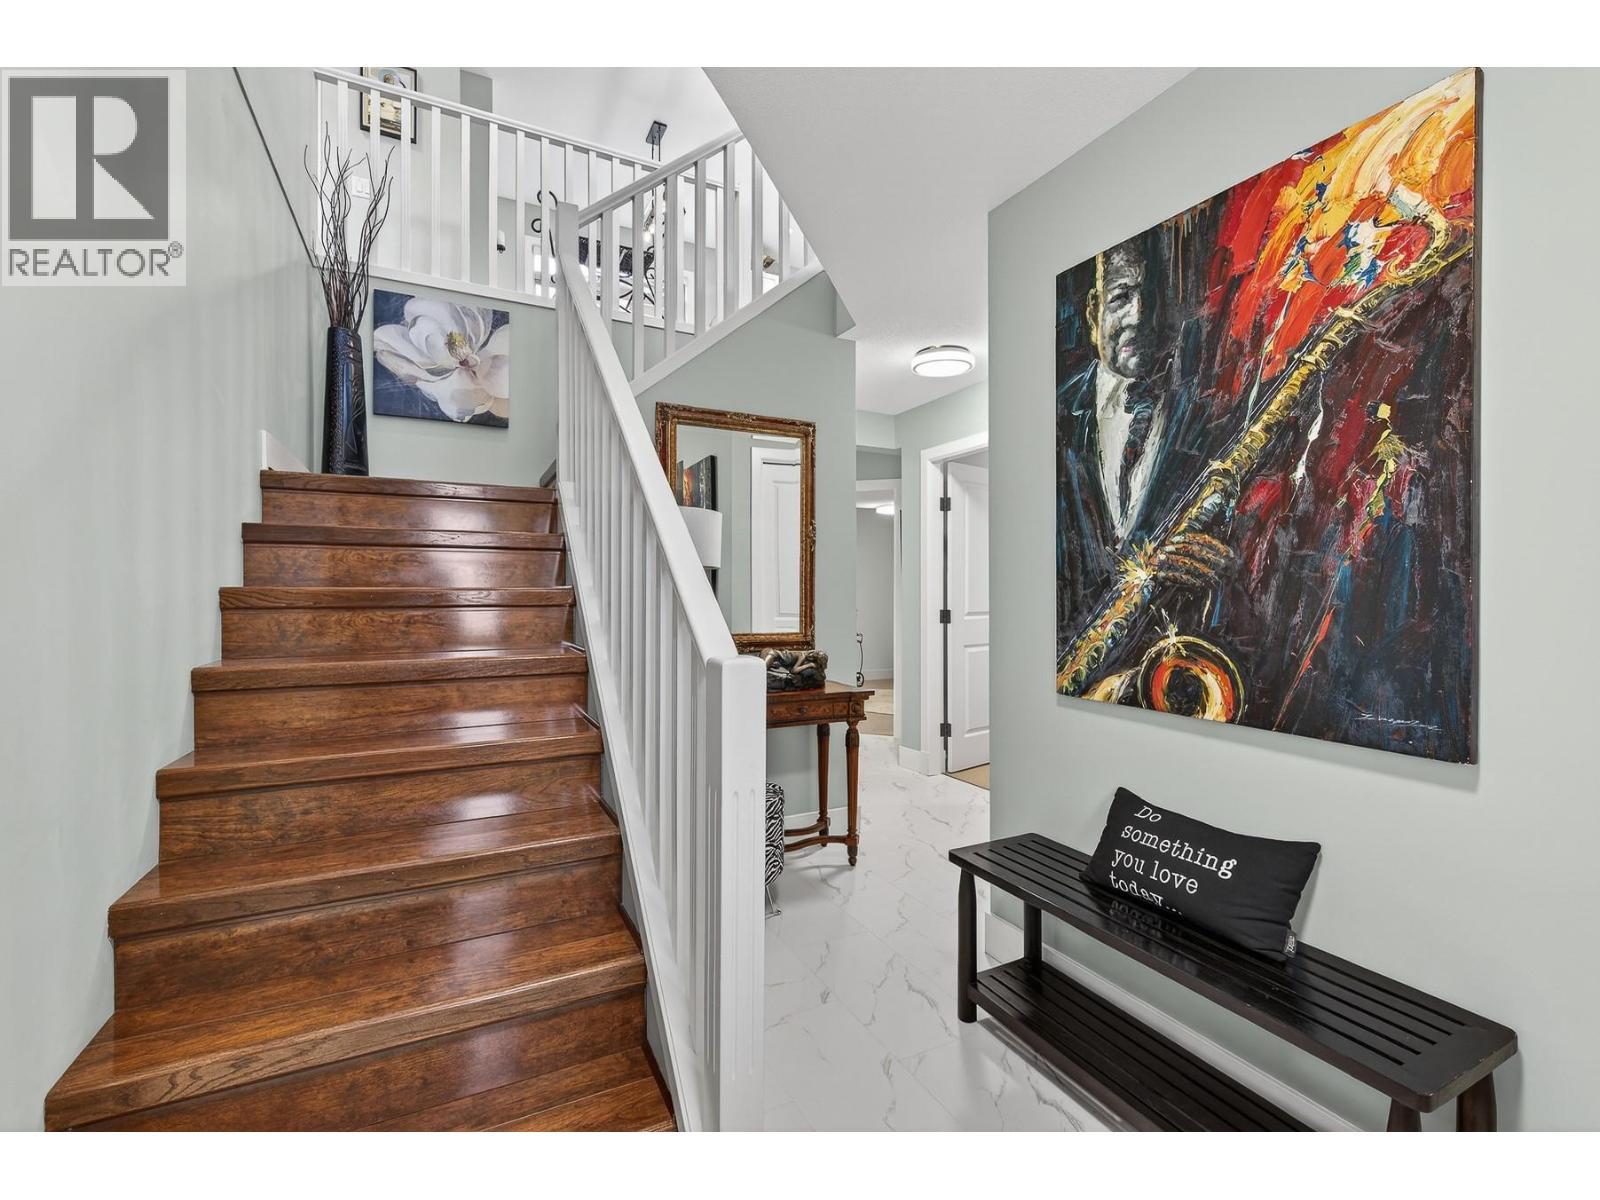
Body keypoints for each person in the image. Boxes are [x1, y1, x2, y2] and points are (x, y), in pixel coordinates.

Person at [1055, 235, 1228, 666]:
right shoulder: (1052, 419)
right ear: (1093, 311)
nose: (1138, 315)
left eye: (1150, 298)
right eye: (1121, 297)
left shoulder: (1208, 414)